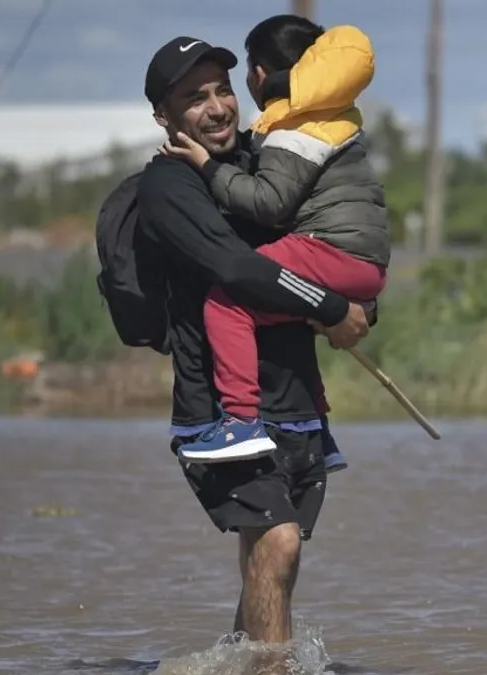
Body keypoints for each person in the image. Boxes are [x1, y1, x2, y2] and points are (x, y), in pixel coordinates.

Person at [137, 34, 367, 647]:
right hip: (221, 414)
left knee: (271, 568)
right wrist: (331, 306)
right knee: (278, 542)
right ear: (164, 116)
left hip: (299, 406)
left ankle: (236, 665)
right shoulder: (168, 187)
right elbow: (235, 267)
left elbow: (335, 241)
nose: (217, 108)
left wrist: (360, 304)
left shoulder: (270, 161)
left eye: (222, 90)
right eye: (194, 98)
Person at [161, 15, 391, 464]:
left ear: (259, 74)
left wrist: (207, 166)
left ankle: (241, 421)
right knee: (282, 307)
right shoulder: (334, 117)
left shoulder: (293, 127)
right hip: (363, 262)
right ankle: (319, 433)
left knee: (228, 300)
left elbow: (270, 202)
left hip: (331, 250)